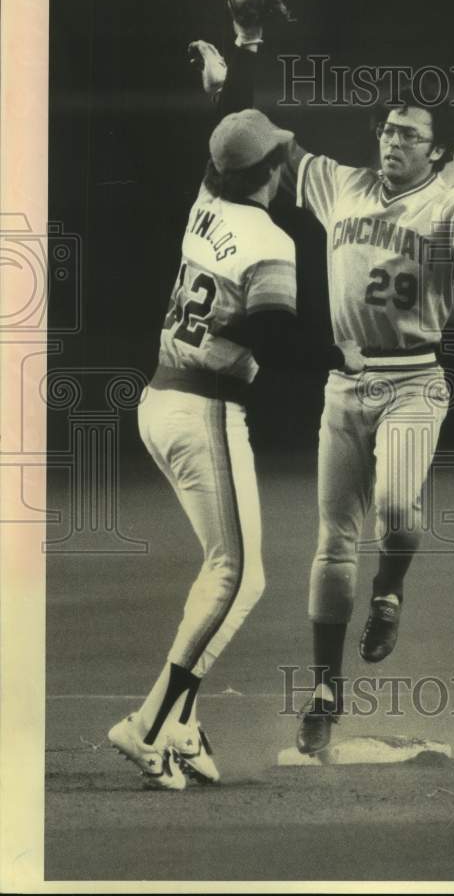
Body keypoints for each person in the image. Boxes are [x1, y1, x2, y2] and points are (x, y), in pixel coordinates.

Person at [192, 0, 454, 757]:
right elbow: (250, 136)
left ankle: (391, 590)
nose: (392, 139)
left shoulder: (453, 204)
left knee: (398, 516)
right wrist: (248, 40)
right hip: (345, 388)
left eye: (410, 133)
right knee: (331, 540)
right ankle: (325, 691)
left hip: (413, 385)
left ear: (439, 151)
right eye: (388, 127)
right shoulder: (340, 184)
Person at [107, 69, 298, 786]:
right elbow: (278, 333)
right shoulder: (270, 240)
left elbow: (231, 136)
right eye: (277, 157)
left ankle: (182, 726)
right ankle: (151, 723)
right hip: (203, 410)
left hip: (160, 402)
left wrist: (237, 68)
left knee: (220, 568)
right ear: (271, 172)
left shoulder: (205, 199)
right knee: (241, 576)